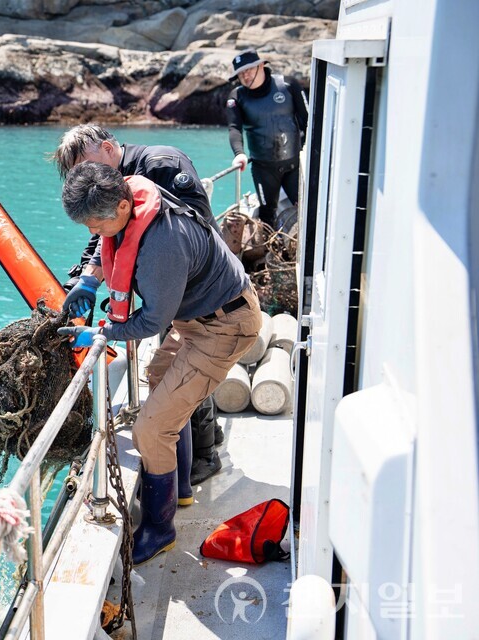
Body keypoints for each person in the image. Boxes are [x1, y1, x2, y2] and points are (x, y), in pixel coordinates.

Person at [57, 162, 262, 565]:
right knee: (157, 379)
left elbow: (151, 322)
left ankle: (160, 528)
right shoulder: (130, 196)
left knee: (150, 430)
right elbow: (107, 241)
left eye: (96, 223)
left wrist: (100, 333)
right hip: (197, 318)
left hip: (224, 326)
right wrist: (90, 279)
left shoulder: (163, 245)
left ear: (121, 207)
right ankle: (180, 487)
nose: (93, 232)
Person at [52, 123, 226, 495]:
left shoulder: (162, 164)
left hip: (194, 284)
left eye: (86, 164)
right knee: (177, 370)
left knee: (184, 369)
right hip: (166, 288)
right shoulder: (108, 187)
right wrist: (87, 279)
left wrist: (153, 282)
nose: (86, 175)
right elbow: (105, 237)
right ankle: (205, 437)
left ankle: (205, 453)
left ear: (107, 147)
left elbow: (192, 222)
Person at [225, 49, 308, 230]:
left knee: (305, 206)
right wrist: (239, 154)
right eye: (240, 73)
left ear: (261, 65)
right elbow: (234, 128)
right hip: (263, 167)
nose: (245, 76)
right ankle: (271, 243)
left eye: (248, 69)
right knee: (267, 213)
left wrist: (310, 150)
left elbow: (308, 120)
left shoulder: (288, 85)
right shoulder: (237, 97)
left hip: (295, 164)